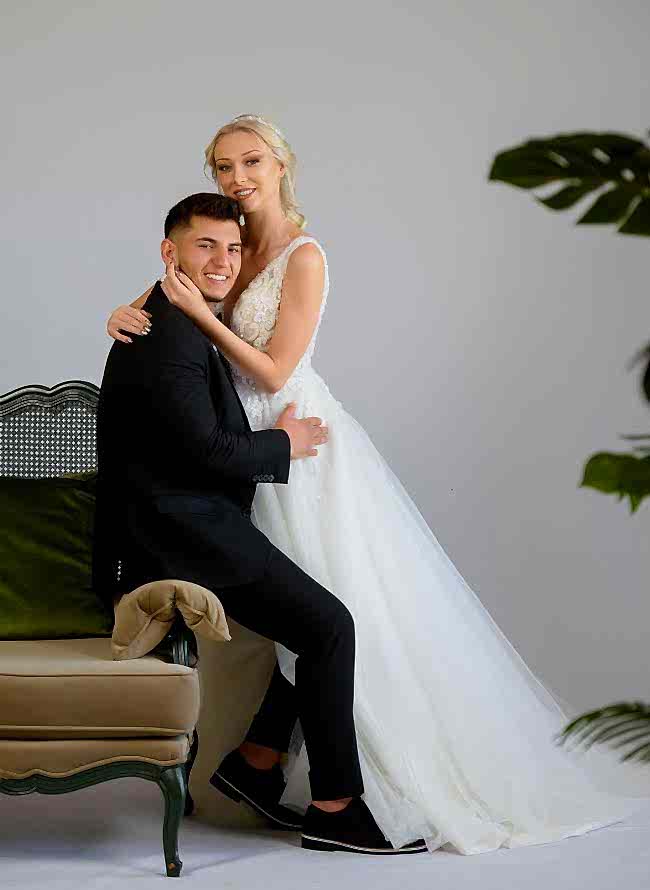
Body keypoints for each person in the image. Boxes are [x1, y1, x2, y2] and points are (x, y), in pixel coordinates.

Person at [106, 117, 646, 855]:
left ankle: (279, 769)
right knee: (315, 616)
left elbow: (274, 370)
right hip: (237, 452)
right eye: (223, 166)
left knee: (338, 605)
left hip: (291, 437)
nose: (238, 178)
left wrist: (208, 324)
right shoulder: (222, 237)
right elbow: (166, 306)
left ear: (282, 164)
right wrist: (126, 312)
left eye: (252, 161)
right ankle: (264, 768)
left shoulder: (302, 254)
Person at [94, 191, 426, 856]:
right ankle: (335, 808)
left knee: (317, 622)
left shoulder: (171, 314)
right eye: (204, 246)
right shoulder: (168, 333)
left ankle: (256, 762)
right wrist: (285, 444)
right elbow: (206, 451)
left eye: (232, 248)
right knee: (330, 626)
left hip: (190, 520)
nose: (222, 261)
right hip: (183, 535)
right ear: (170, 253)